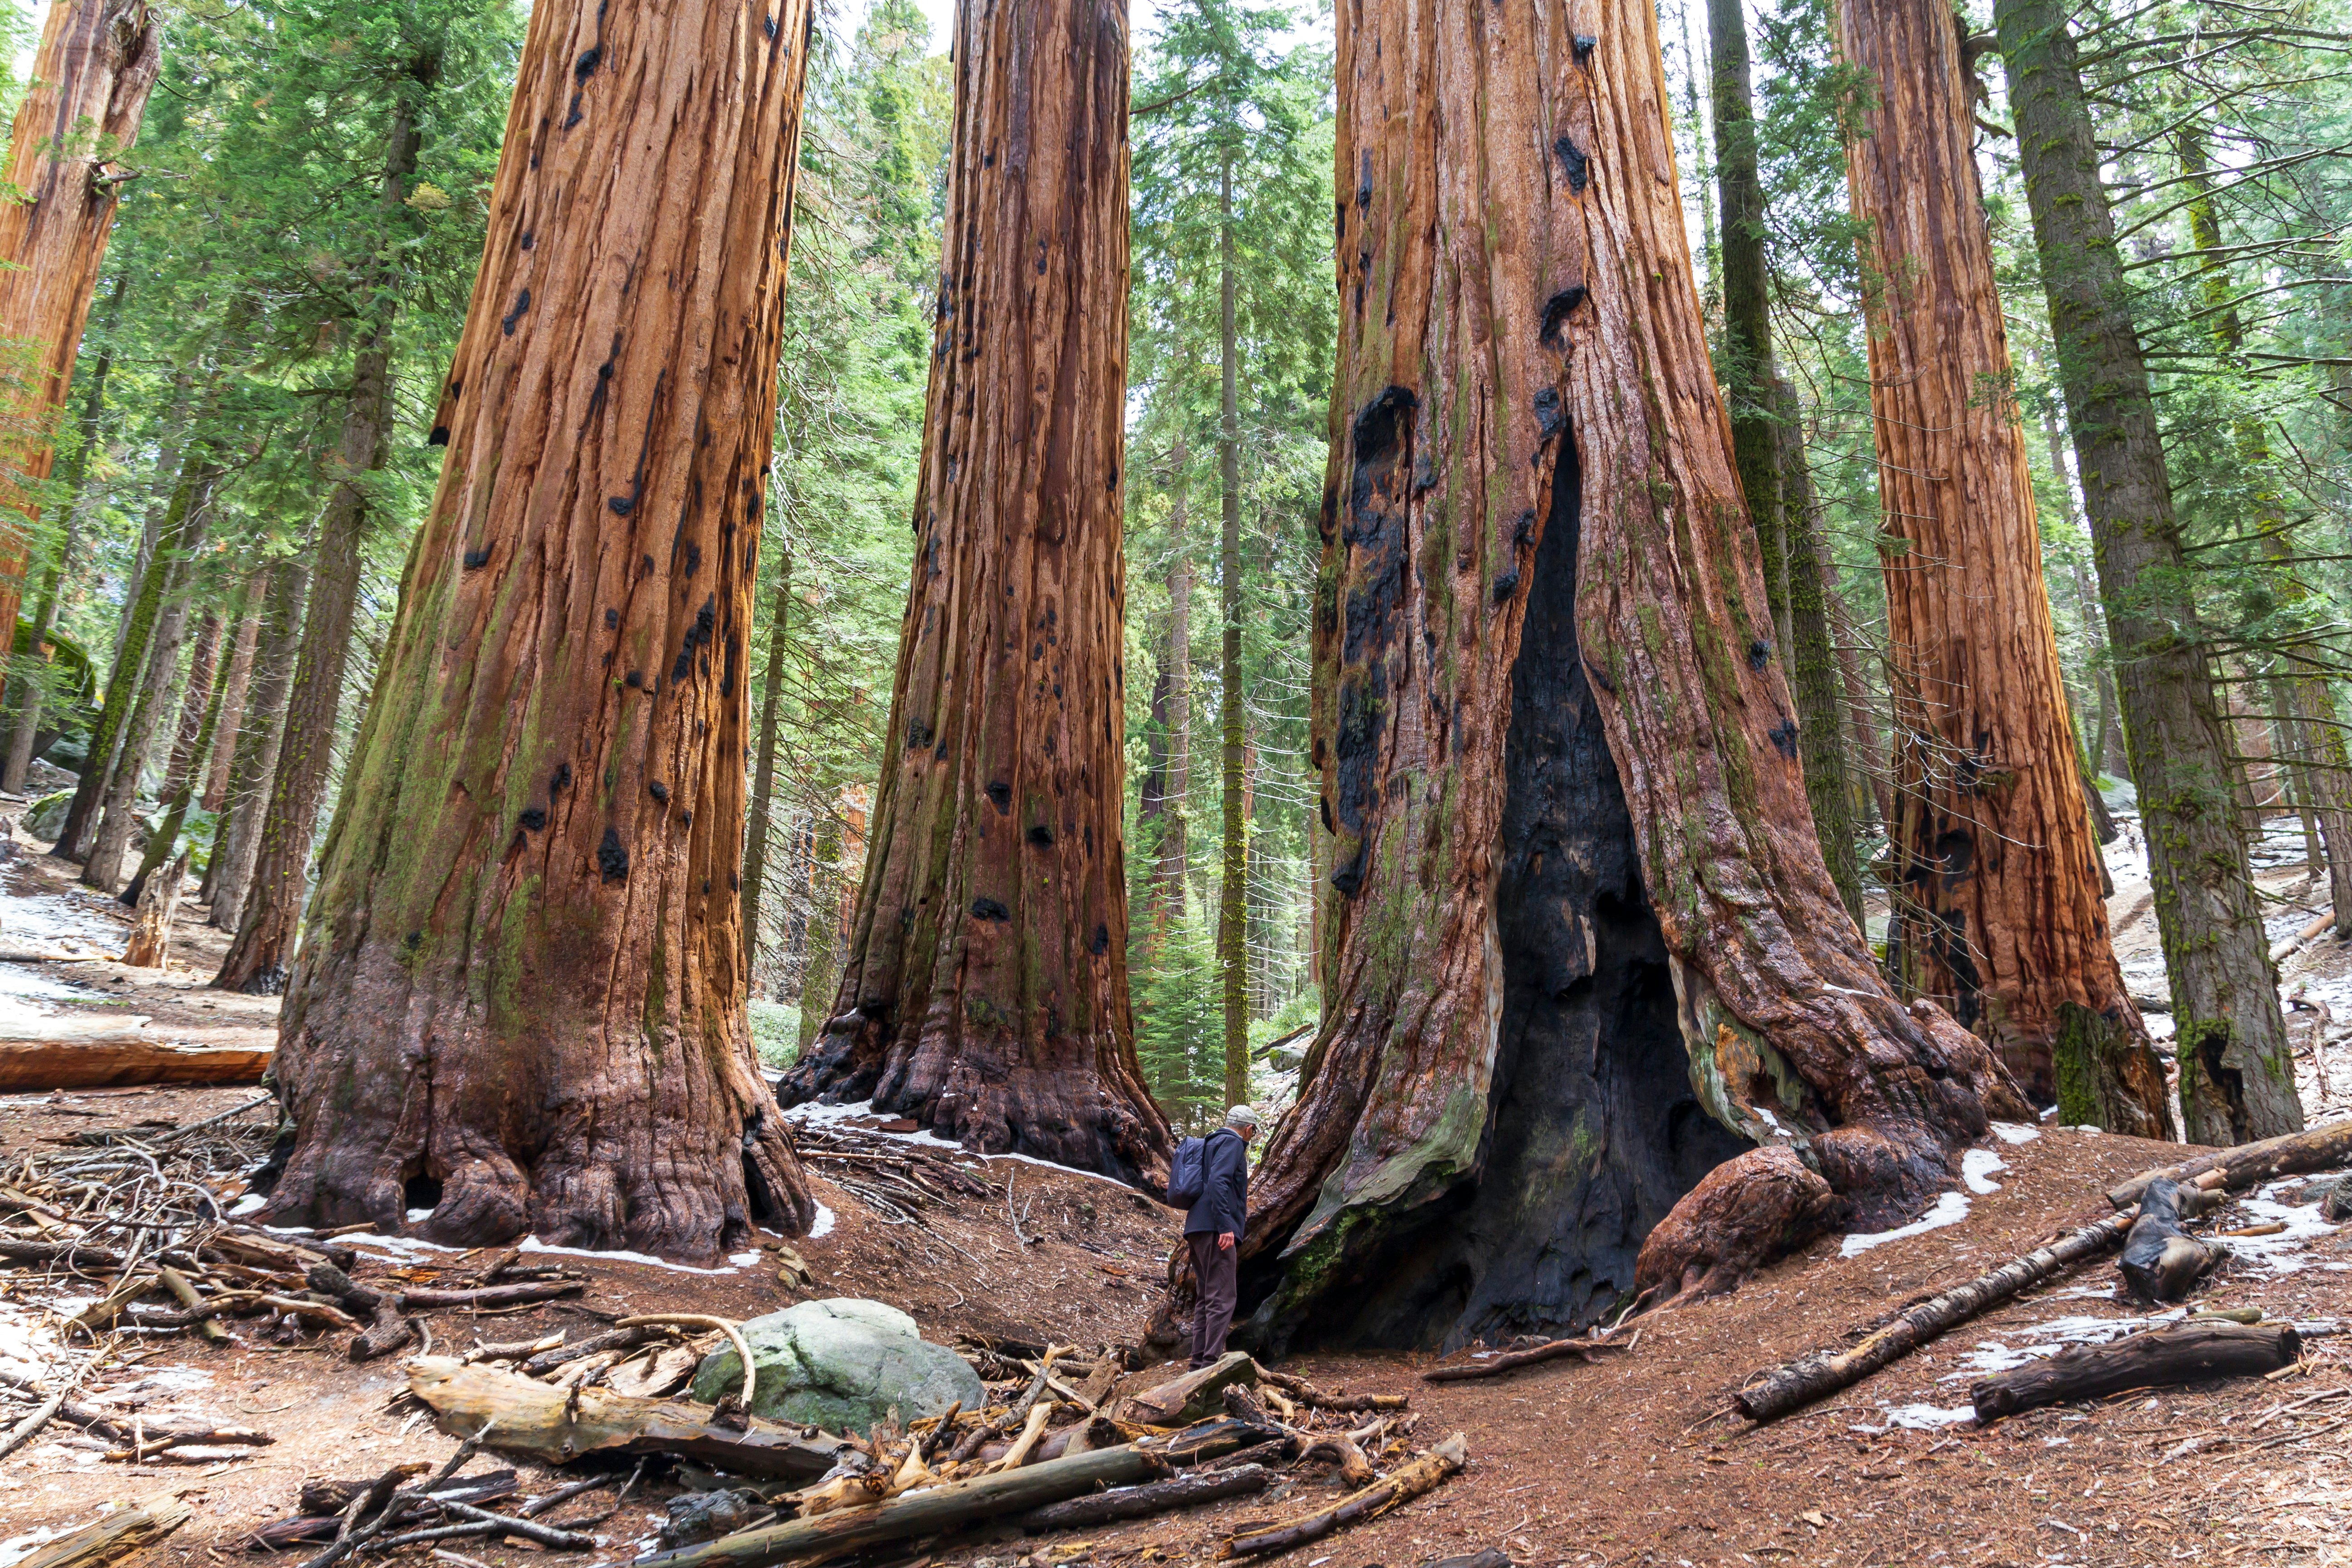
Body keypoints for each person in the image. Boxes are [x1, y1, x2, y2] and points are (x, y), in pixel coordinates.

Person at [1183, 1103, 1259, 1367]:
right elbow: (1219, 1182)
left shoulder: (1210, 1142)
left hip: (1196, 1227)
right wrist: (1226, 1226)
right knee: (1223, 1298)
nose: (1252, 1136)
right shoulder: (1233, 1144)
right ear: (1248, 1129)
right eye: (1254, 1132)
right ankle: (1209, 1365)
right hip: (1217, 1231)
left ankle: (1197, 1364)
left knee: (1206, 1297)